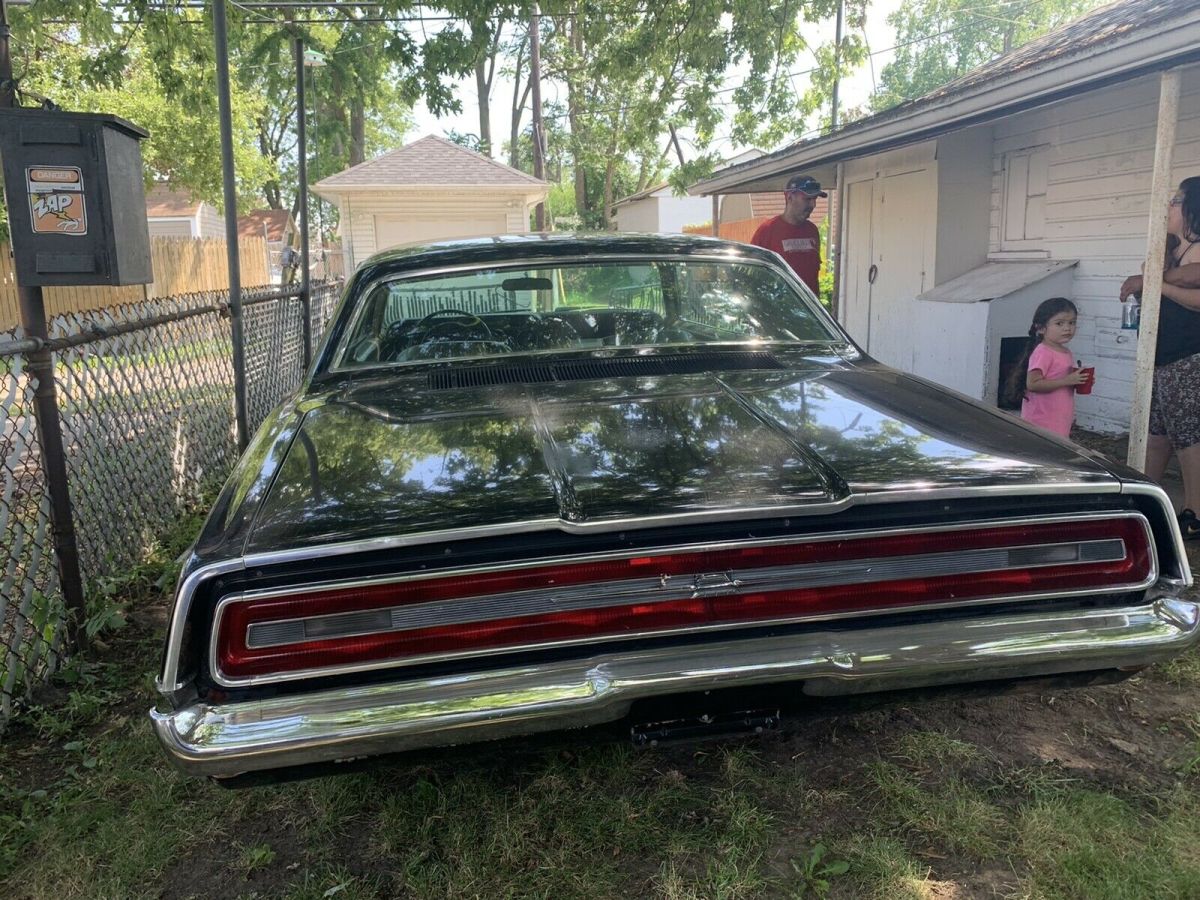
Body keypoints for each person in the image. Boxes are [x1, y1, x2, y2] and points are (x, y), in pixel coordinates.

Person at [1122, 177, 1200, 539]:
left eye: (1176, 200)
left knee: (1189, 437)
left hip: (1188, 354)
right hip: (1159, 355)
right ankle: (1144, 496)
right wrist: (1154, 274)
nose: (1169, 205)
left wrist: (1153, 283)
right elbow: (1155, 274)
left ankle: (1195, 512)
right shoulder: (1172, 249)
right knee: (1156, 435)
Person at [1004, 297, 1088, 437]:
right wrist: (1067, 381)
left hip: (1059, 416)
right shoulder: (1043, 352)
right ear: (1041, 328)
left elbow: (1060, 380)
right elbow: (1033, 384)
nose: (1067, 328)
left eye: (1072, 322)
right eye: (1059, 323)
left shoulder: (1065, 352)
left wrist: (1078, 380)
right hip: (1041, 420)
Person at [750, 174, 826, 294]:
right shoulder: (767, 231)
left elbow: (813, 277)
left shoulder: (812, 231)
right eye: (807, 199)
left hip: (807, 309)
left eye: (815, 199)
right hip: (779, 309)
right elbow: (753, 276)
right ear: (789, 197)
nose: (813, 205)